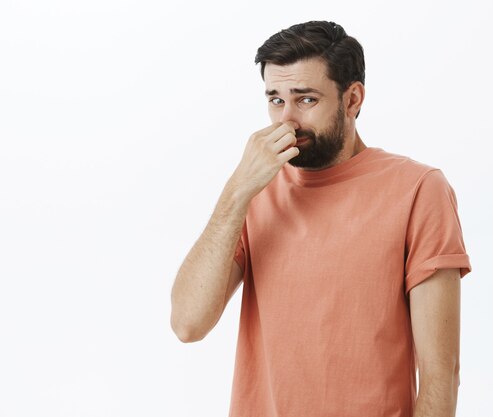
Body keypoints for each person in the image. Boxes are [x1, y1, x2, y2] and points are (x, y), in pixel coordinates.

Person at [170, 20, 472, 417]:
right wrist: (237, 190)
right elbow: (188, 324)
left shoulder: (418, 189)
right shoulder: (253, 191)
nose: (286, 120)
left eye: (306, 99)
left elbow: (440, 374)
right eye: (275, 99)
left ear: (353, 99)